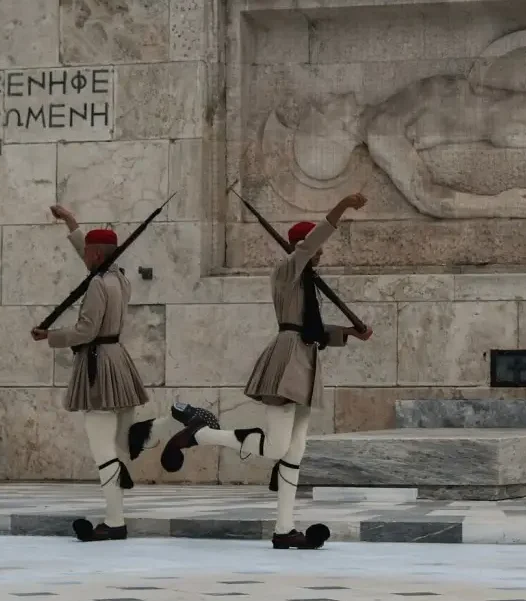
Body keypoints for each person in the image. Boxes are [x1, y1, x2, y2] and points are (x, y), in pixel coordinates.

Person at [157, 193, 374, 550]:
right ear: (302, 247)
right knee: (275, 448)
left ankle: (284, 529)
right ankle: (203, 433)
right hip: (287, 362)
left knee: (295, 451)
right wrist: (342, 207)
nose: (320, 255)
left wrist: (349, 333)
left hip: (306, 363)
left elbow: (313, 329)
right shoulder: (288, 270)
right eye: (315, 250)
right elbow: (310, 252)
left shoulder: (307, 281)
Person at [32, 204, 216, 542]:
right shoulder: (119, 278)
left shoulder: (98, 286)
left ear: (97, 254)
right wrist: (72, 224)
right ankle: (177, 420)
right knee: (122, 443)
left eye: (88, 252)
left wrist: (51, 337)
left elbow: (86, 331)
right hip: (118, 361)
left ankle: (114, 522)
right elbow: (94, 261)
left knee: (104, 450)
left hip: (98, 365)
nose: (85, 257)